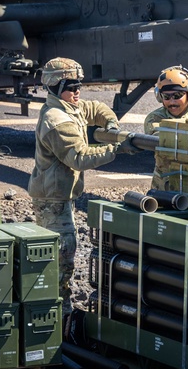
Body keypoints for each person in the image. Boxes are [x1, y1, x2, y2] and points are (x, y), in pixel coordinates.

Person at [27, 57, 138, 314]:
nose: (77, 91)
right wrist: (117, 148)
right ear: (55, 88)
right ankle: (58, 313)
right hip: (53, 202)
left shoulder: (69, 106)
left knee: (60, 253)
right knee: (61, 257)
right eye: (70, 86)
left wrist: (110, 124)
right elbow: (79, 157)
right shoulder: (56, 120)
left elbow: (96, 108)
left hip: (59, 197)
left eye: (79, 86)